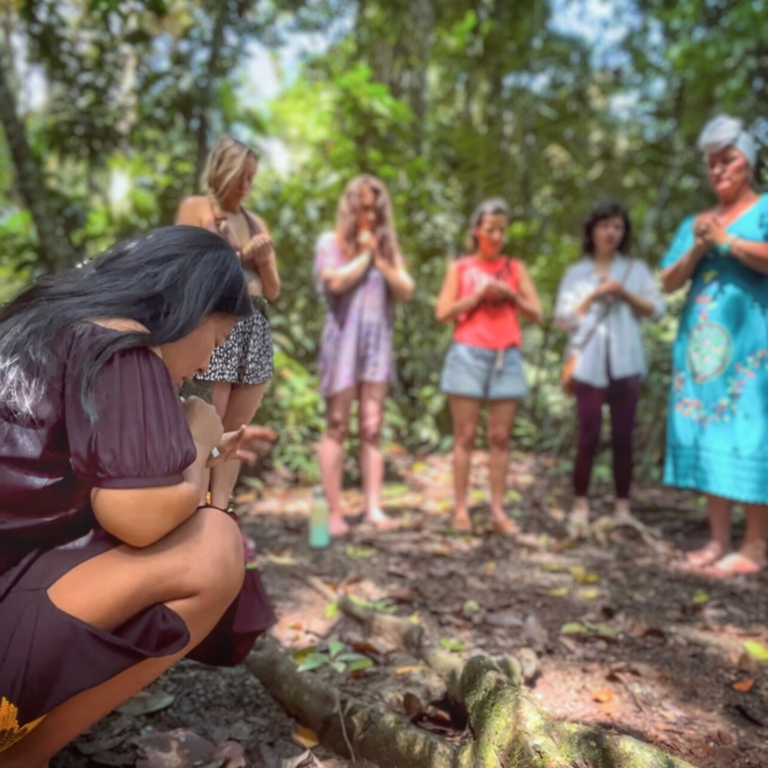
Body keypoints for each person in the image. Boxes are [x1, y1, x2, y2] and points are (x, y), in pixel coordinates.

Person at [0, 226, 275, 768]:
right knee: (213, 548)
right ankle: (19, 755)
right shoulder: (123, 346)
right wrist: (198, 446)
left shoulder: (40, 323)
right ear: (191, 309)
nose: (203, 367)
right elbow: (137, 518)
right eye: (215, 344)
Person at [660, 115, 768, 575]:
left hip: (753, 348)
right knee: (711, 434)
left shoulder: (763, 210)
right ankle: (718, 539)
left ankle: (755, 546)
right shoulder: (696, 222)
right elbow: (667, 281)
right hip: (703, 353)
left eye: (729, 161)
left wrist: (729, 241)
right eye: (711, 164)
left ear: (749, 162)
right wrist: (699, 247)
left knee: (751, 434)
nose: (719, 171)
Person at [175, 137, 279, 528]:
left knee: (236, 431)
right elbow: (185, 264)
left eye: (251, 178)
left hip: (255, 320)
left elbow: (273, 289)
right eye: (240, 175)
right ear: (221, 170)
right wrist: (240, 256)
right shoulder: (197, 208)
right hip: (217, 319)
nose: (245, 185)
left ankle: (220, 513)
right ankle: (192, 509)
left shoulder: (255, 222)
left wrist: (264, 262)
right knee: (208, 420)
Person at [554, 202, 666, 537]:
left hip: (626, 363)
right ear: (592, 230)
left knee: (622, 437)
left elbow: (656, 310)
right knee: (587, 436)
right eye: (604, 226)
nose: (610, 233)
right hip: (588, 365)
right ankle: (580, 505)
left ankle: (622, 508)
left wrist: (624, 293)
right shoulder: (577, 273)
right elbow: (563, 319)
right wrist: (594, 295)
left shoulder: (635, 269)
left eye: (617, 227)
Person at [314, 174, 415, 536]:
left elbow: (406, 288)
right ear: (351, 207)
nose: (369, 215)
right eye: (363, 207)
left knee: (372, 427)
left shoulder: (386, 248)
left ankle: (373, 507)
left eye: (375, 208)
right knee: (338, 425)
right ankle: (332, 514)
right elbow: (335, 281)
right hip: (342, 342)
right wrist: (366, 255)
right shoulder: (331, 242)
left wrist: (380, 258)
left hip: (376, 344)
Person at [435, 197, 543, 535]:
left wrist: (509, 295)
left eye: (501, 230)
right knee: (465, 435)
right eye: (490, 228)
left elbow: (537, 313)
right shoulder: (461, 268)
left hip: (505, 356)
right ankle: (461, 509)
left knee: (499, 437)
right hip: (467, 353)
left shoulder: (515, 269)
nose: (496, 235)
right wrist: (478, 296)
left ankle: (497, 510)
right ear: (476, 231)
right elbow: (443, 312)